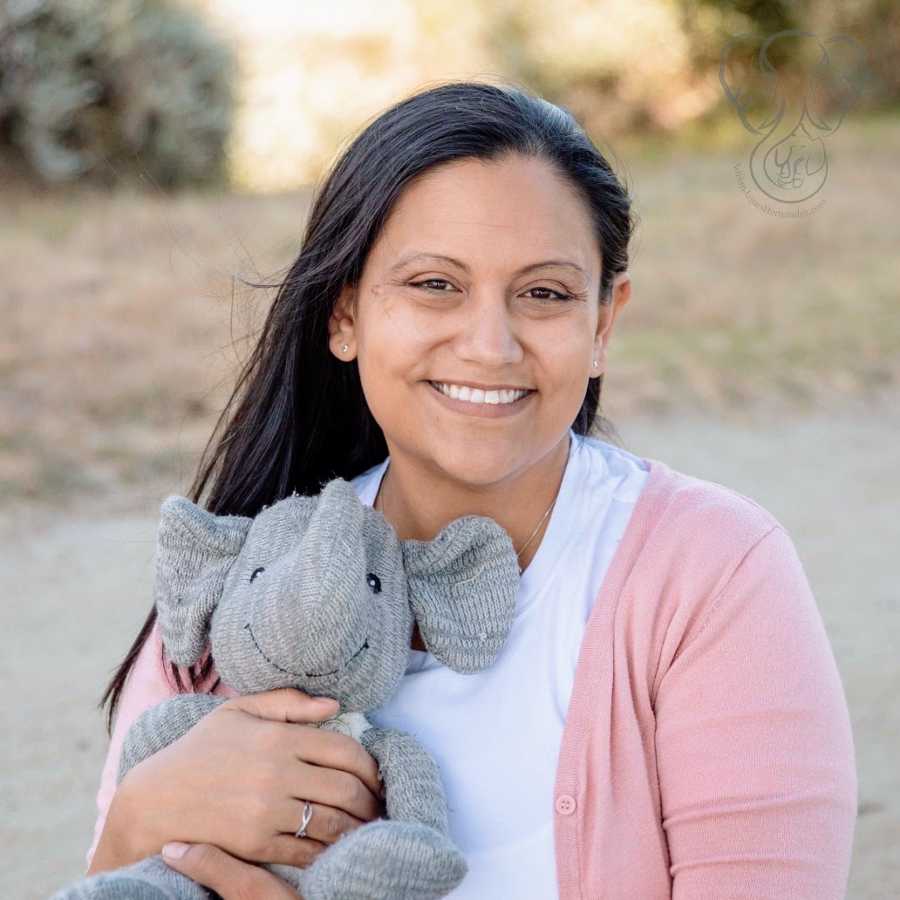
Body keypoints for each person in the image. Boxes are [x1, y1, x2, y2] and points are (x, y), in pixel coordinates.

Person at [80, 81, 857, 900]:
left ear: (602, 325)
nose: (490, 346)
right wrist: (134, 826)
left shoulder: (713, 572)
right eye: (435, 285)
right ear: (344, 315)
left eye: (545, 294)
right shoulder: (241, 582)